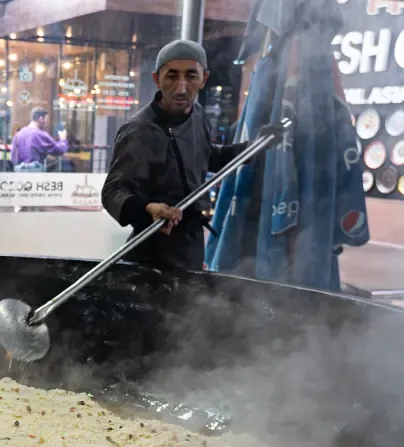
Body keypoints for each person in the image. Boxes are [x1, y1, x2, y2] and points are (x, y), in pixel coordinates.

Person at [101, 39, 285, 272]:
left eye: (190, 76)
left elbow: (209, 157)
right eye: (171, 76)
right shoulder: (140, 130)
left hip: (191, 244)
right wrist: (147, 209)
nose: (181, 87)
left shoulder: (197, 115)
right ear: (157, 79)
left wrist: (257, 145)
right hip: (151, 251)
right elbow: (113, 192)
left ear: (203, 79)